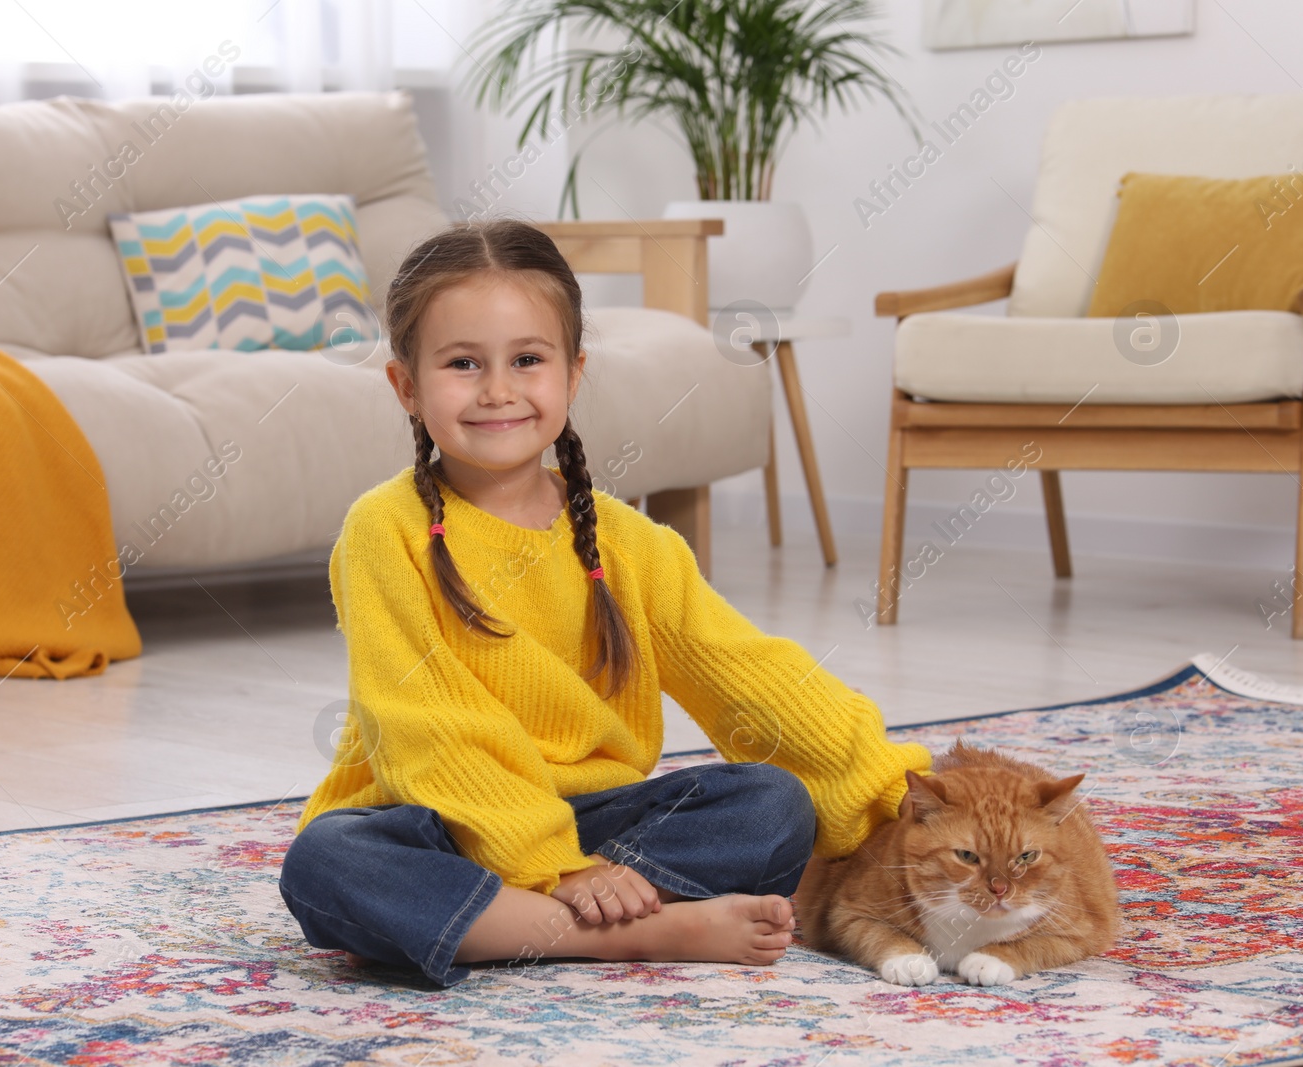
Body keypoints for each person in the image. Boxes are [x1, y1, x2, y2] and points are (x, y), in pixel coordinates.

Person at [278, 216, 934, 988]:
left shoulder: (628, 541)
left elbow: (750, 672)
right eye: (463, 363)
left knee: (772, 805)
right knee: (326, 861)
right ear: (407, 386)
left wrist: (897, 787)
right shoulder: (382, 530)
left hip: (596, 826)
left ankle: (501, 925)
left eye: (527, 359)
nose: (498, 391)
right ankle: (629, 931)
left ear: (573, 372)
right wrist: (549, 863)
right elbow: (426, 728)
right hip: (433, 817)